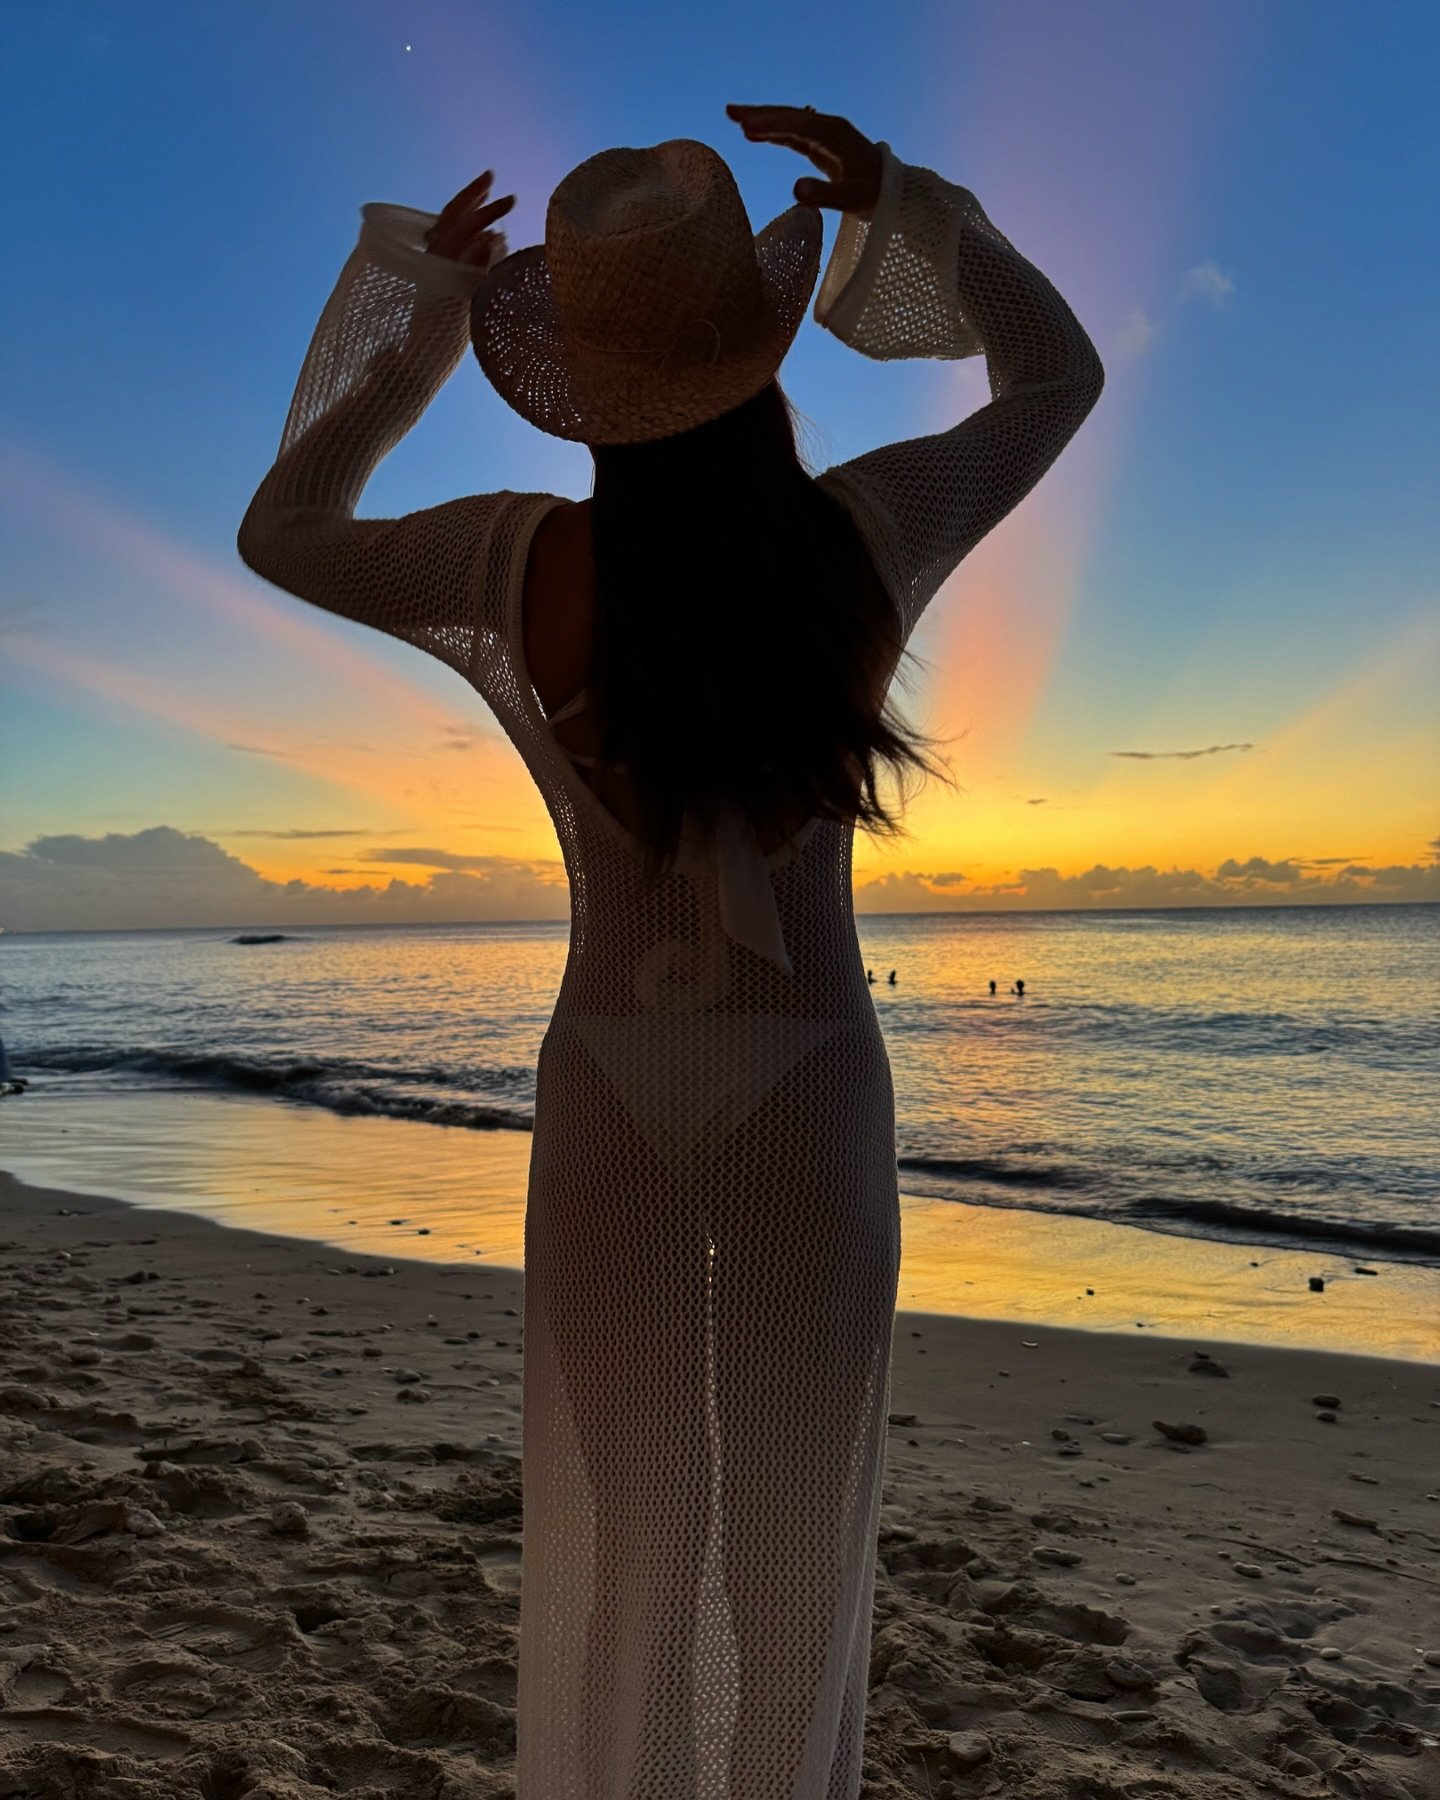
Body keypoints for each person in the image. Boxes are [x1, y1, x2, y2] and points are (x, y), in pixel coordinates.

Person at [238, 99, 1101, 1798]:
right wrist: (914, 209)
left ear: (580, 371)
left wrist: (417, 331)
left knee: (635, 1536)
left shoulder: (513, 560)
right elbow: (1054, 380)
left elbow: (285, 530)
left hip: (609, 1087)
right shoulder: (868, 530)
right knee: (793, 1538)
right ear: (757, 345)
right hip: (810, 1087)